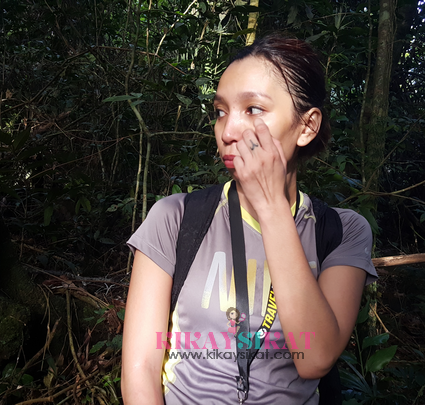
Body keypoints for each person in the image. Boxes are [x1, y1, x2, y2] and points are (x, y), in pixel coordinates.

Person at [122, 35, 378, 404]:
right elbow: (140, 369)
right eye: (220, 111)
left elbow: (315, 358)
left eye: (253, 109)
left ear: (307, 126)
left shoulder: (342, 231)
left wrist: (271, 205)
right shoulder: (175, 218)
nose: (228, 132)